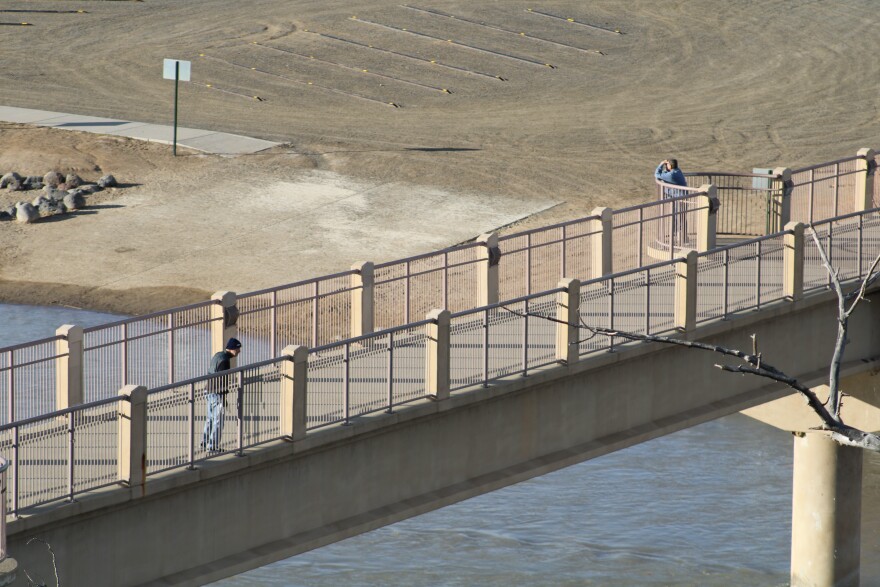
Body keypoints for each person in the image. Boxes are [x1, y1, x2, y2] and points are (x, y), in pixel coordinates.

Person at [202, 337, 242, 452]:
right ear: (232, 349)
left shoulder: (218, 355)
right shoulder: (225, 361)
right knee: (218, 421)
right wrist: (223, 398)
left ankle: (204, 442)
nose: (239, 352)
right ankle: (212, 446)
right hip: (216, 393)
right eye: (238, 349)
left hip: (208, 390)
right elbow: (221, 381)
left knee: (210, 418)